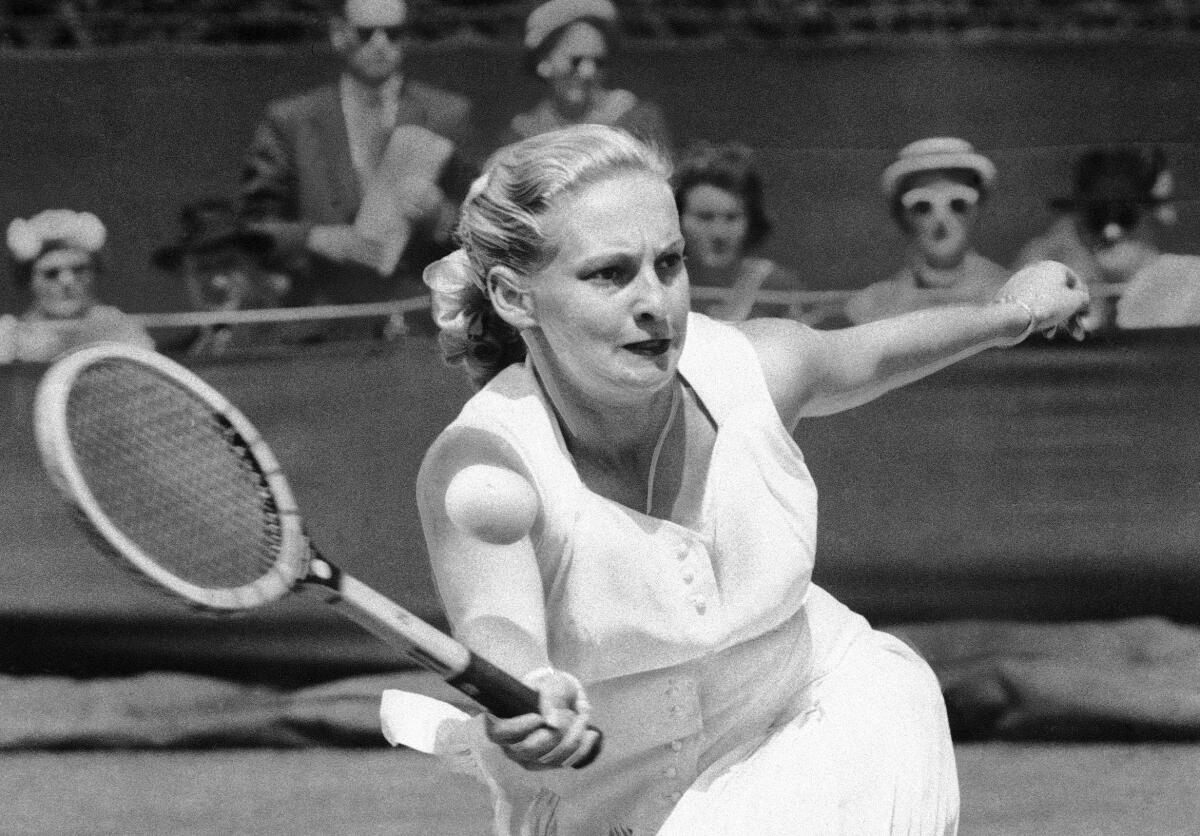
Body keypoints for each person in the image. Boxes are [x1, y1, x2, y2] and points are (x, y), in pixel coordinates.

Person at [386, 125, 1088, 835]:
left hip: (831, 714)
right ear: (514, 295)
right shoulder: (484, 467)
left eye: (669, 263)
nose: (655, 301)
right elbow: (494, 618)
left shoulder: (754, 366)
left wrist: (1013, 315)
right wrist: (528, 684)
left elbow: (870, 357)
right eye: (610, 273)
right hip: (602, 802)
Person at [238, 0, 478, 320]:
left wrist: (439, 215)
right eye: (366, 33)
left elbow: (485, 219)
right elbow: (251, 227)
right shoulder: (291, 119)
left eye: (393, 34)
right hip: (321, 310)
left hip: (419, 315)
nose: (380, 44)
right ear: (339, 35)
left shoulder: (447, 115)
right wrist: (313, 237)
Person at [1014, 146, 1200, 331]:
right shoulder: (1043, 264)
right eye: (1098, 215)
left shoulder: (1182, 280)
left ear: (1149, 215)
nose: (1111, 232)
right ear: (1077, 214)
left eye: (1125, 215)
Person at [845, 137, 1011, 326]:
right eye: (923, 205)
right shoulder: (872, 307)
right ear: (903, 215)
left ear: (977, 210)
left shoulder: (1010, 297)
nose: (941, 218)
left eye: (957, 203)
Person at [499, 0, 672, 153]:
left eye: (599, 62)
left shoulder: (633, 119)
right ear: (543, 62)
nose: (588, 71)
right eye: (576, 61)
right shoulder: (523, 135)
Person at [673, 141, 809, 322]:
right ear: (677, 219)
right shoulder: (663, 280)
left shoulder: (776, 285)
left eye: (732, 218)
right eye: (704, 217)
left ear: (752, 220)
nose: (719, 233)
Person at [0, 209, 153, 363]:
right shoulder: (9, 336)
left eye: (79, 269)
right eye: (51, 273)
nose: (67, 281)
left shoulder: (120, 329)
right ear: (28, 279)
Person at [152, 199, 298, 356]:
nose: (217, 283)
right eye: (203, 269)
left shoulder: (304, 346)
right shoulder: (171, 365)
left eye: (228, 264)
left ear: (255, 267)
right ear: (184, 277)